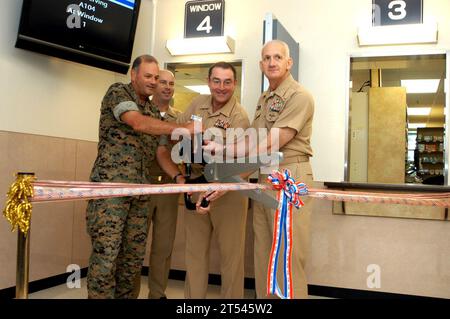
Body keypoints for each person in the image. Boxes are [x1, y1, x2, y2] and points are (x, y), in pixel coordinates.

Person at [203, 40, 315, 299]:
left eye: (278, 57)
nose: (272, 62)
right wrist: (222, 151)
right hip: (265, 178)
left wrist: (224, 151)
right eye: (267, 58)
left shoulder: (299, 96)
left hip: (290, 176)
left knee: (287, 257)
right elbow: (251, 139)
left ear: (289, 63)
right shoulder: (265, 99)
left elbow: (271, 143)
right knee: (264, 253)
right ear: (260, 64)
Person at [86, 55, 192, 299]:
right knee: (106, 257)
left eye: (156, 77)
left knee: (131, 261)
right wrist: (182, 128)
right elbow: (136, 123)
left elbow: (161, 151)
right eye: (148, 76)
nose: (154, 81)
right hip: (111, 194)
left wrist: (178, 178)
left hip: (140, 195)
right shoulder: (118, 93)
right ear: (133, 75)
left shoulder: (153, 110)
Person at [177, 62, 250, 299]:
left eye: (227, 82)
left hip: (227, 189)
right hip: (197, 182)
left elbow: (242, 158)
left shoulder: (239, 115)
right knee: (195, 256)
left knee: (231, 259)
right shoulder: (197, 104)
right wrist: (185, 177)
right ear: (209, 81)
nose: (221, 87)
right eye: (216, 81)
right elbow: (178, 133)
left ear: (234, 84)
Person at [133, 69, 183, 299]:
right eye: (162, 81)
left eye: (171, 83)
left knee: (163, 246)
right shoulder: (141, 112)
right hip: (141, 185)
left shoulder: (180, 118)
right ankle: (130, 293)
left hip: (168, 189)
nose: (166, 87)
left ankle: (157, 293)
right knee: (134, 245)